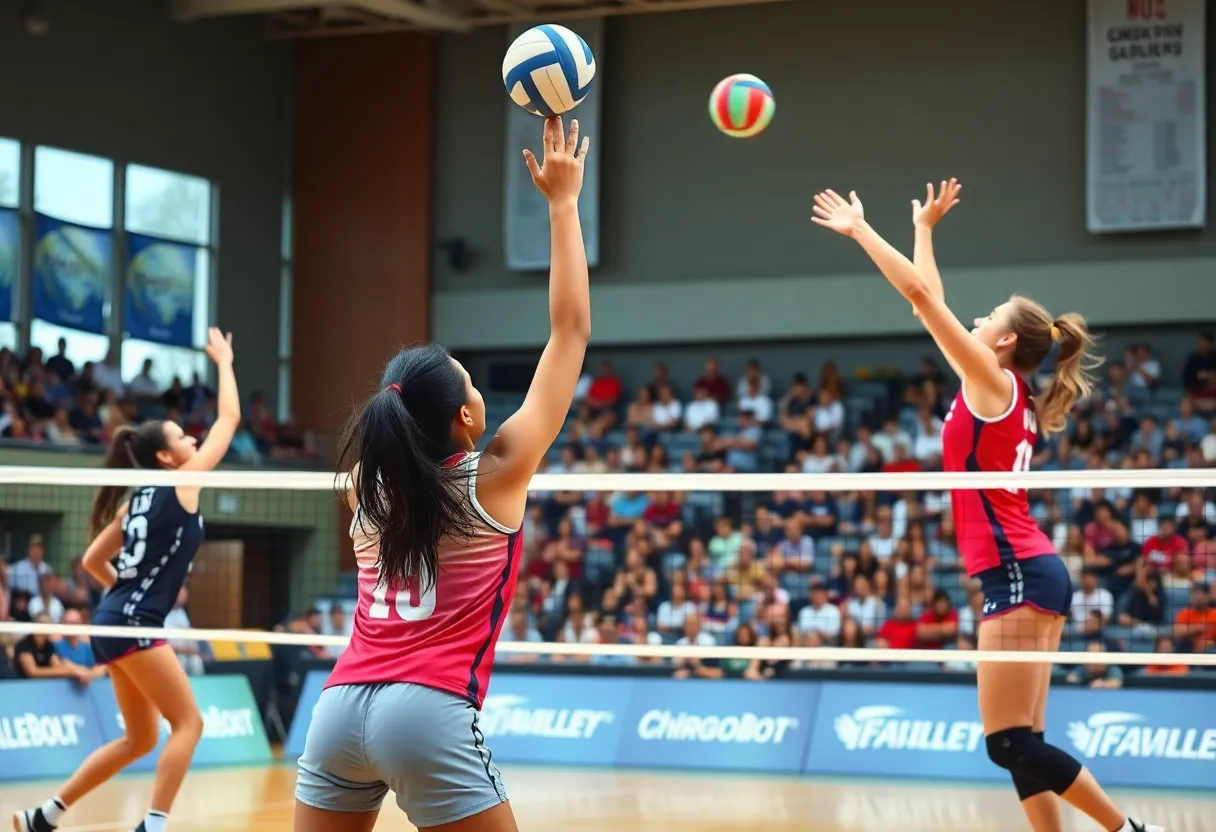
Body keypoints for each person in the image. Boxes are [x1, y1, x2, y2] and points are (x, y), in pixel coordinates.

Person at [812, 182, 1159, 832]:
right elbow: (931, 303)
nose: (976, 318)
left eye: (989, 316)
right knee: (1022, 741)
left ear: (1003, 345)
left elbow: (921, 298)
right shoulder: (1009, 390)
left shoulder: (993, 383)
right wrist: (924, 230)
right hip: (1031, 571)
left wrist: (860, 229)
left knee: (1008, 744)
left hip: (1021, 574)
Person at [293, 115, 591, 832]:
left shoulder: (367, 489)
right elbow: (570, 333)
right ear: (465, 417)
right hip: (426, 713)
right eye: (471, 384)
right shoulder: (497, 475)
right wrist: (562, 204)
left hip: (336, 709)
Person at [15, 328, 240, 832]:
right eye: (184, 437)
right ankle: (153, 826)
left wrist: (125, 590)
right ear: (166, 457)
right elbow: (229, 419)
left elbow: (93, 561)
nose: (193, 440)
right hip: (133, 622)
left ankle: (41, 817)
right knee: (190, 724)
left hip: (110, 621)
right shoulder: (183, 483)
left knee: (138, 739)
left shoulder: (133, 500)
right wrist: (223, 361)